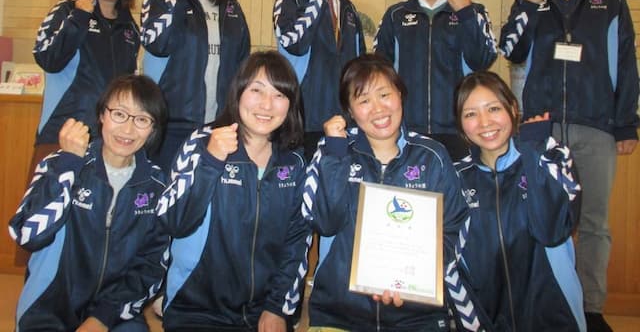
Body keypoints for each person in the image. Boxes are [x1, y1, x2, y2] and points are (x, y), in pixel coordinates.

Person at [499, 0, 639, 332]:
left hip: (596, 125)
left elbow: (626, 62)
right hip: (540, 128)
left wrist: (626, 124)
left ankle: (591, 308)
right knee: (537, 217)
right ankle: (541, 304)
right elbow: (510, 50)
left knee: (594, 223)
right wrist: (528, 3)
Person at [301, 54, 469, 331]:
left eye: (384, 94)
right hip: (340, 314)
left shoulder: (432, 156)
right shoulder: (334, 149)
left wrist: (418, 281)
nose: (378, 109)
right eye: (364, 100)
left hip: (417, 318)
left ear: (400, 94)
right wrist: (336, 153)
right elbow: (326, 223)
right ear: (350, 110)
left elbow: (455, 228)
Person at [156, 50, 310, 332]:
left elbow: (296, 242)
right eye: (256, 90)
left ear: (290, 104)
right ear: (238, 92)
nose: (266, 104)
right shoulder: (202, 143)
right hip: (196, 310)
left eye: (279, 94)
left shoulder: (294, 162)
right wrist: (211, 161)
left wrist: (277, 307)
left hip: (263, 311)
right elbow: (173, 221)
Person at [9, 74, 169, 332]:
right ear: (102, 115)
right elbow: (28, 235)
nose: (128, 130)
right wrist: (69, 164)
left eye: (142, 119)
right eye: (119, 114)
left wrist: (101, 319)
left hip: (114, 311)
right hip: (47, 310)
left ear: (153, 128)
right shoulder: (61, 163)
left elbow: (150, 266)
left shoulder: (157, 185)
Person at [453, 70, 585, 331]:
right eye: (470, 114)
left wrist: (532, 149)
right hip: (488, 322)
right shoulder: (456, 178)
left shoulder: (551, 156)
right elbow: (453, 265)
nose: (484, 122)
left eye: (493, 108)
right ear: (460, 124)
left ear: (513, 108)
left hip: (555, 320)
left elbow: (551, 231)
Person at [374, 0, 497, 161]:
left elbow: (483, 61)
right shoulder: (396, 15)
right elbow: (379, 75)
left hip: (461, 130)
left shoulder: (474, 12)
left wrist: (466, 14)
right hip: (407, 131)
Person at [141, 0, 251, 173]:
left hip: (219, 128)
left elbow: (243, 64)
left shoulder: (229, 4)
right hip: (170, 127)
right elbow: (158, 43)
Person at [32, 0, 140, 162]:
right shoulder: (68, 9)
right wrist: (79, 18)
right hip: (62, 135)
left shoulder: (131, 29)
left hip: (108, 143)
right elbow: (47, 59)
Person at [273, 0, 366, 161]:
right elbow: (294, 43)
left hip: (342, 124)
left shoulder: (347, 7)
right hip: (301, 122)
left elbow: (359, 67)